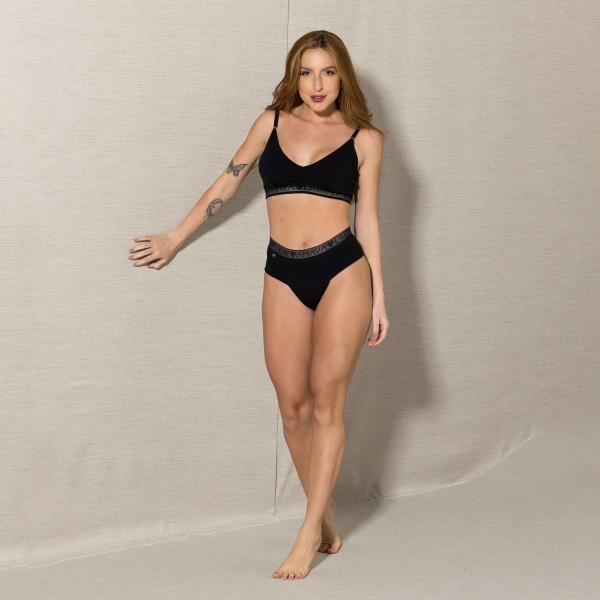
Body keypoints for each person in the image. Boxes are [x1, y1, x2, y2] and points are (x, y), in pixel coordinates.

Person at [128, 30, 390, 579]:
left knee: (327, 404)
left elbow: (367, 218)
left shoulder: (364, 139)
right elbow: (227, 182)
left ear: (342, 77)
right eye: (307, 72)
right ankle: (324, 507)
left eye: (328, 72)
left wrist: (380, 297)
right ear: (294, 76)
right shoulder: (270, 123)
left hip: (344, 270)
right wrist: (174, 238)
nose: (317, 84)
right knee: (292, 406)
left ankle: (308, 531)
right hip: (283, 270)